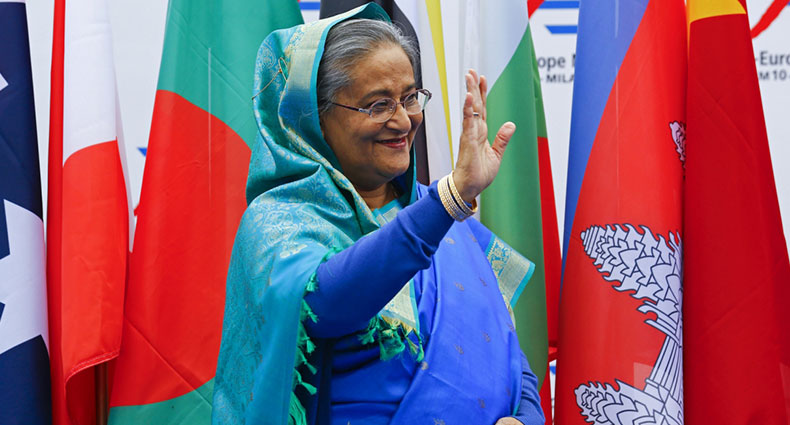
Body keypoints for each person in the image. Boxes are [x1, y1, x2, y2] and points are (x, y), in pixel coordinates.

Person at [212, 4, 544, 425]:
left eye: (410, 97)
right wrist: (449, 200)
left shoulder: (444, 219)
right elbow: (326, 303)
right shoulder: (280, 221)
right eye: (378, 105)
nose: (404, 121)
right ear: (314, 118)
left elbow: (508, 356)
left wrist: (525, 418)